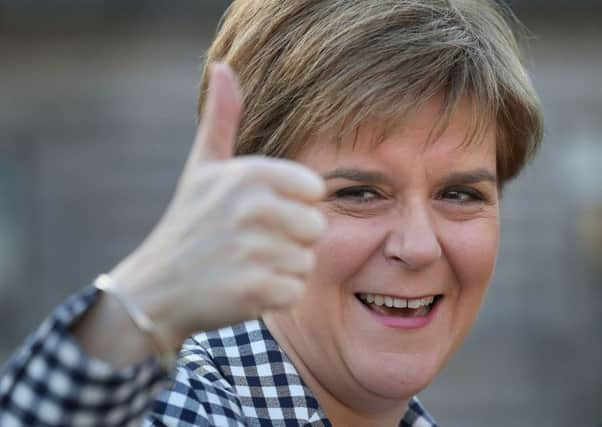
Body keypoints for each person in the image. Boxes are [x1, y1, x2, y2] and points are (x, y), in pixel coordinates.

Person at [0, 0, 543, 425]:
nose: (419, 245)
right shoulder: (183, 410)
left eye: (459, 195)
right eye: (358, 193)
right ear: (251, 198)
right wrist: (135, 308)